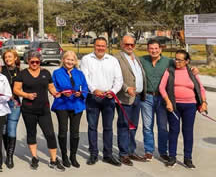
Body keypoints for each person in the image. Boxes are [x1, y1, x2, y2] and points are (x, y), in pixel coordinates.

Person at [139, 39, 199, 162]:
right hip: (147, 97)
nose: (154, 51)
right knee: (147, 126)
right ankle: (149, 151)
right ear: (148, 49)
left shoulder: (169, 61)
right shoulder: (141, 60)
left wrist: (194, 69)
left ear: (160, 49)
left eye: (156, 48)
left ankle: (163, 151)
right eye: (151, 48)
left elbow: (182, 64)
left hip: (162, 98)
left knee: (162, 127)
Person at [14, 51, 65, 171]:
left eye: (37, 62)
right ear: (28, 61)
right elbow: (16, 89)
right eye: (32, 61)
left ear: (40, 61)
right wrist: (26, 95)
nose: (35, 64)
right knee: (31, 133)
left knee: (50, 134)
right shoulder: (22, 74)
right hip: (28, 109)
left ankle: (53, 160)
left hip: (44, 109)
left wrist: (55, 93)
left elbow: (51, 87)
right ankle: (34, 157)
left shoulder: (45, 73)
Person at [159, 50, 207, 168]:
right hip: (174, 106)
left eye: (180, 60)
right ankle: (172, 157)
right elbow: (161, 87)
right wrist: (168, 102)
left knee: (188, 132)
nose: (177, 62)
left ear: (187, 61)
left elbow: (201, 89)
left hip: (190, 106)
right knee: (174, 131)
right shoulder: (169, 71)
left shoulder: (192, 72)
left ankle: (187, 158)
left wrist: (204, 103)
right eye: (175, 59)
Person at [80, 37, 123, 167]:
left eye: (103, 46)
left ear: (106, 46)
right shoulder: (86, 59)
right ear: (94, 46)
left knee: (108, 127)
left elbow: (119, 79)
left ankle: (108, 155)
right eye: (98, 45)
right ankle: (93, 154)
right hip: (93, 97)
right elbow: (85, 78)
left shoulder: (113, 60)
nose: (100, 48)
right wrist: (94, 89)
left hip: (108, 98)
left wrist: (113, 91)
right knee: (92, 127)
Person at [51, 51, 88, 168]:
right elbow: (53, 87)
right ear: (63, 60)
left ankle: (73, 156)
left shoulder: (79, 73)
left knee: (75, 132)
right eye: (68, 59)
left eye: (72, 60)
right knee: (63, 131)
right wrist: (61, 93)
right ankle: (64, 156)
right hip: (62, 104)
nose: (70, 62)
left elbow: (85, 87)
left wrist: (81, 94)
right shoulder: (57, 73)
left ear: (75, 61)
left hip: (77, 104)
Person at [114, 35, 147, 166]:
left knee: (133, 126)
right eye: (127, 44)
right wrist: (126, 88)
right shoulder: (117, 58)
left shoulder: (136, 58)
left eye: (132, 44)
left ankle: (131, 150)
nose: (129, 46)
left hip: (137, 97)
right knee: (124, 125)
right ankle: (123, 154)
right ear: (122, 44)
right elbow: (116, 78)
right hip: (125, 98)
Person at [0, 49, 21, 169]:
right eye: (6, 57)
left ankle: (9, 157)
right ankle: (6, 149)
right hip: (2, 103)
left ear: (15, 58)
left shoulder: (20, 71)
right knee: (3, 129)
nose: (7, 59)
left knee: (11, 128)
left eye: (10, 57)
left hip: (15, 104)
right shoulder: (0, 70)